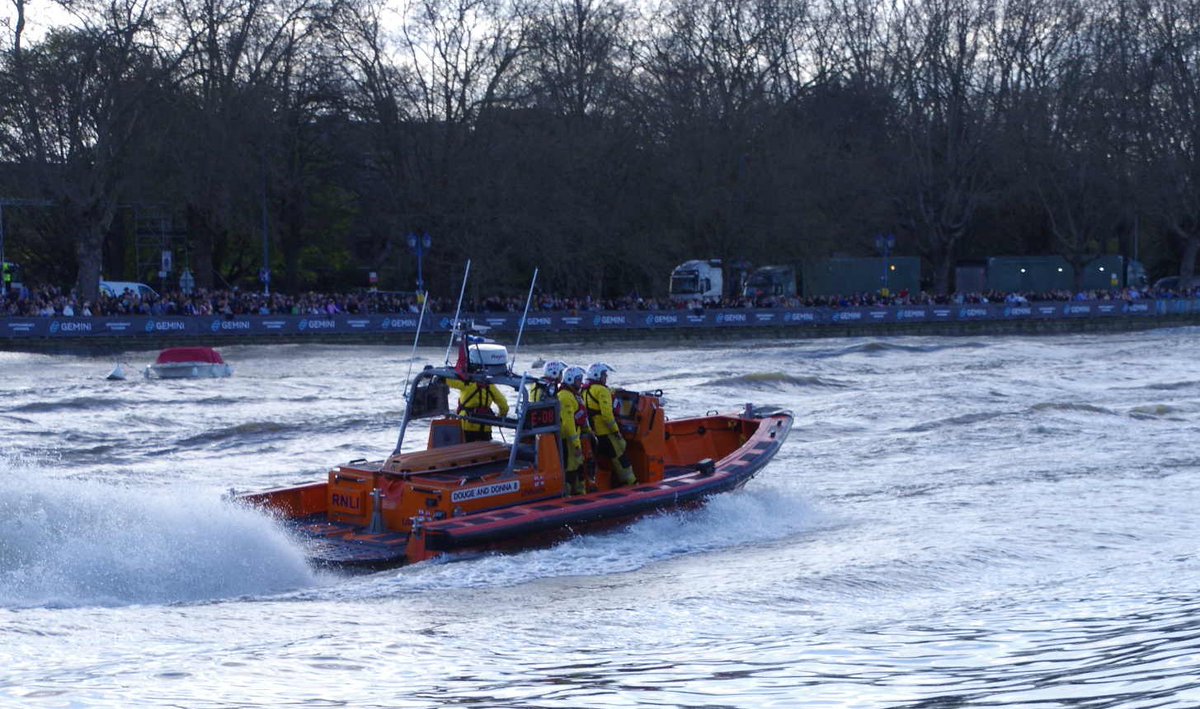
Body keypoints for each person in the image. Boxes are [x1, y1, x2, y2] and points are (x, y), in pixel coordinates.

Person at [584, 362, 637, 486]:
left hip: (594, 432)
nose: (606, 377)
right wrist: (616, 431)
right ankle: (631, 483)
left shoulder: (585, 389)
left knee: (604, 459)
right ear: (597, 375)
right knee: (621, 457)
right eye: (604, 374)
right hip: (606, 432)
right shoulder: (602, 390)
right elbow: (607, 415)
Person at [557, 366, 592, 495]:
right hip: (568, 440)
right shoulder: (565, 396)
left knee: (578, 467)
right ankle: (568, 494)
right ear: (571, 379)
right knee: (570, 469)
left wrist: (588, 432)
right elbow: (568, 423)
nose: (581, 383)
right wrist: (576, 444)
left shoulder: (573, 394)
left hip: (574, 438)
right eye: (578, 380)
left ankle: (579, 492)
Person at [447, 375, 509, 442]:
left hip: (467, 425)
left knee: (466, 448)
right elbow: (504, 406)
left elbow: (448, 380)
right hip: (486, 427)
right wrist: (500, 417)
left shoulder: (466, 383)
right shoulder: (491, 387)